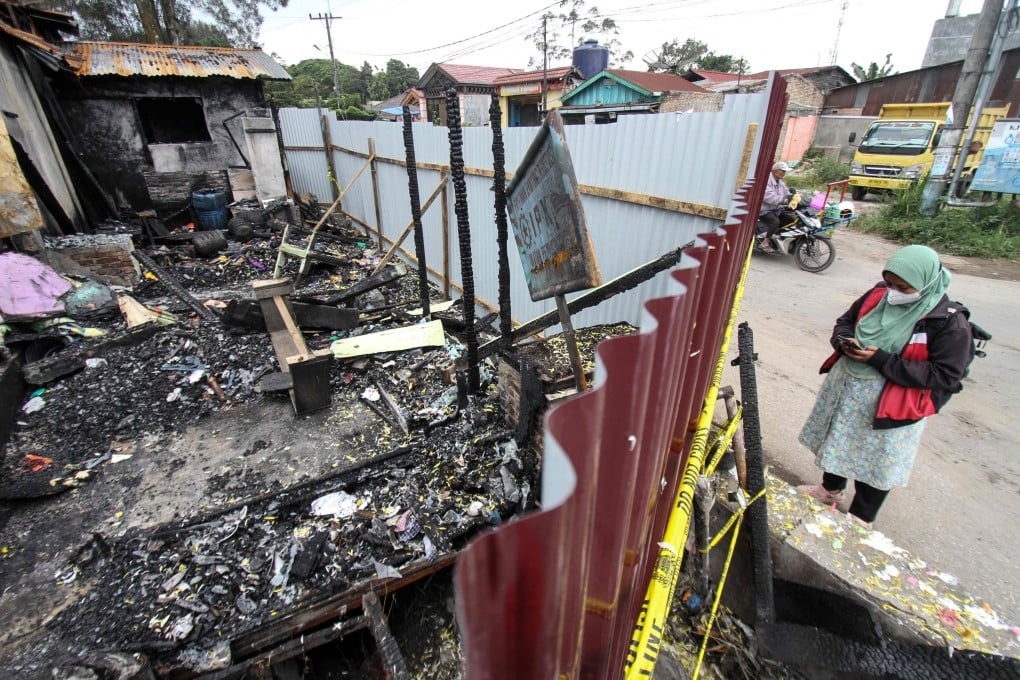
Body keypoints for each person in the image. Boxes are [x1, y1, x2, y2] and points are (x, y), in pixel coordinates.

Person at [796, 245, 972, 528]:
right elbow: (846, 321)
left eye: (903, 287)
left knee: (876, 460)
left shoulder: (948, 322)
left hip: (891, 403)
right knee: (837, 441)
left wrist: (881, 360)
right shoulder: (879, 294)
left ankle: (860, 518)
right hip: (848, 390)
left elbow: (946, 375)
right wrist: (843, 341)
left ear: (926, 282)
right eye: (890, 283)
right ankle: (829, 490)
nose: (894, 291)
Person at [759, 162, 791, 252]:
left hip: (775, 209)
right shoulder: (767, 181)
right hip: (764, 209)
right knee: (775, 222)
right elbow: (769, 198)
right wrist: (784, 201)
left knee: (789, 219)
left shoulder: (780, 182)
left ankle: (775, 238)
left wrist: (793, 196)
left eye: (785, 172)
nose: (784, 173)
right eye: (782, 171)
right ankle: (765, 242)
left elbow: (786, 193)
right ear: (775, 171)